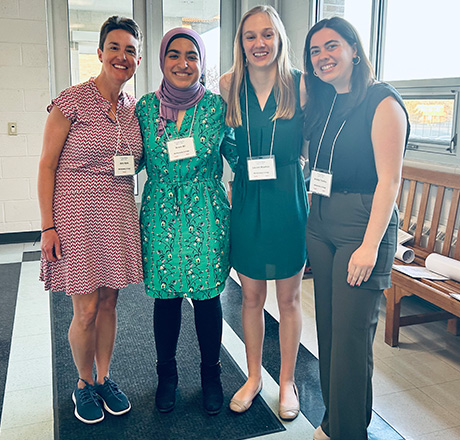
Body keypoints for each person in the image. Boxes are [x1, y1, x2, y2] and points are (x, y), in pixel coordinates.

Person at [303, 17, 409, 440]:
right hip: (322, 219)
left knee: (350, 340)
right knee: (329, 332)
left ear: (354, 49)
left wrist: (369, 246)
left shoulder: (382, 100)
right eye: (315, 51)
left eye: (331, 46)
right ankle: (338, 423)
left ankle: (348, 432)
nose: (323, 57)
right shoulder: (326, 100)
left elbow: (391, 180)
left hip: (363, 225)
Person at [38, 16, 143, 424]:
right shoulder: (72, 100)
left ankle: (104, 378)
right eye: (114, 48)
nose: (122, 56)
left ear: (136, 60)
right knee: (84, 310)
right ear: (99, 53)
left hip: (117, 215)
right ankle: (83, 384)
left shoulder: (133, 109)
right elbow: (46, 165)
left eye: (130, 50)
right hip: (76, 217)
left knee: (110, 300)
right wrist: (48, 226)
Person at [136, 27, 237, 416]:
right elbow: (127, 157)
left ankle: (211, 377)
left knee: (208, 298)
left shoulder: (216, 108)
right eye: (174, 55)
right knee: (166, 299)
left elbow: (238, 154)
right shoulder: (144, 108)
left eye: (191, 56)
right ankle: (167, 377)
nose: (182, 63)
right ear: (162, 61)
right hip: (160, 213)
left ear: (201, 63)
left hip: (206, 214)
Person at [220, 5, 308, 421]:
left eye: (267, 35)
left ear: (280, 39)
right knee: (251, 298)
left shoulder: (301, 87)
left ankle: (288, 381)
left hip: (288, 199)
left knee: (288, 299)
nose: (259, 43)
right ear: (241, 43)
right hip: (248, 201)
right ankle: (254, 377)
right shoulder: (227, 86)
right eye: (251, 36)